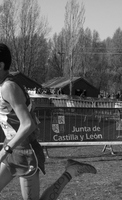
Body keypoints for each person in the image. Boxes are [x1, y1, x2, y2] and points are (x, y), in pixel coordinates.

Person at [0, 43, 97, 200]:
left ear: (1, 65)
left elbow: (27, 124)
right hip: (12, 148)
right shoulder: (5, 85)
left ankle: (70, 172)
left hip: (24, 152)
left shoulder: (8, 87)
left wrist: (5, 151)